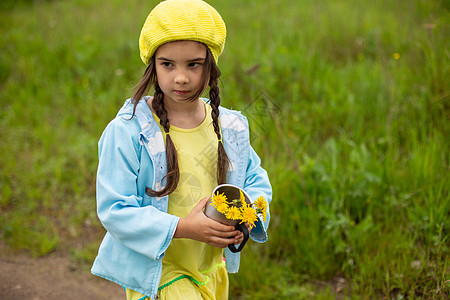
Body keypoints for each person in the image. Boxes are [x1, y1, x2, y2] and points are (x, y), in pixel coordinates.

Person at [91, 0, 272, 299]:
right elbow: (115, 209)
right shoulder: (130, 131)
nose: (181, 77)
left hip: (211, 269)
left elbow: (254, 180)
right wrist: (183, 227)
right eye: (168, 64)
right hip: (160, 273)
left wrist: (246, 216)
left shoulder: (230, 127)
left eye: (193, 64)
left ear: (210, 64)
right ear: (153, 64)